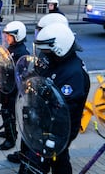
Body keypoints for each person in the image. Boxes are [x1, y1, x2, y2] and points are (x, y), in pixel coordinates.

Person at [17, 24, 89, 174]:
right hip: (42, 123)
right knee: (60, 161)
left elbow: (64, 110)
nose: (44, 54)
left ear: (59, 48)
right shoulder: (57, 62)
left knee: (50, 160)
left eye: (46, 51)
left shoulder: (73, 73)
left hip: (55, 130)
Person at [0, 21, 29, 151]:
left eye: (9, 36)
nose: (6, 38)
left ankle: (11, 138)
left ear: (18, 36)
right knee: (4, 110)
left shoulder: (22, 52)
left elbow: (19, 71)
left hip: (12, 89)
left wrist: (4, 64)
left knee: (9, 113)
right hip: (6, 85)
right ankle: (8, 130)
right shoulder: (11, 48)